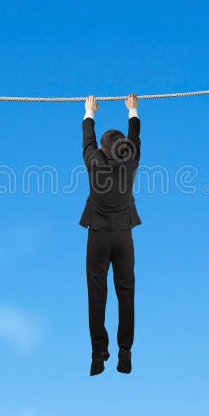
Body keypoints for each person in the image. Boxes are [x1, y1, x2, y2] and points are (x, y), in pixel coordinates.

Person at [79, 93, 141, 376]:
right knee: (126, 294)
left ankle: (97, 355)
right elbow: (135, 139)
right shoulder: (130, 164)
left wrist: (89, 111)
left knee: (97, 295)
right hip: (123, 238)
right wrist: (132, 110)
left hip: (99, 237)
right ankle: (125, 352)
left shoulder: (95, 163)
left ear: (103, 151)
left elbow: (88, 141)